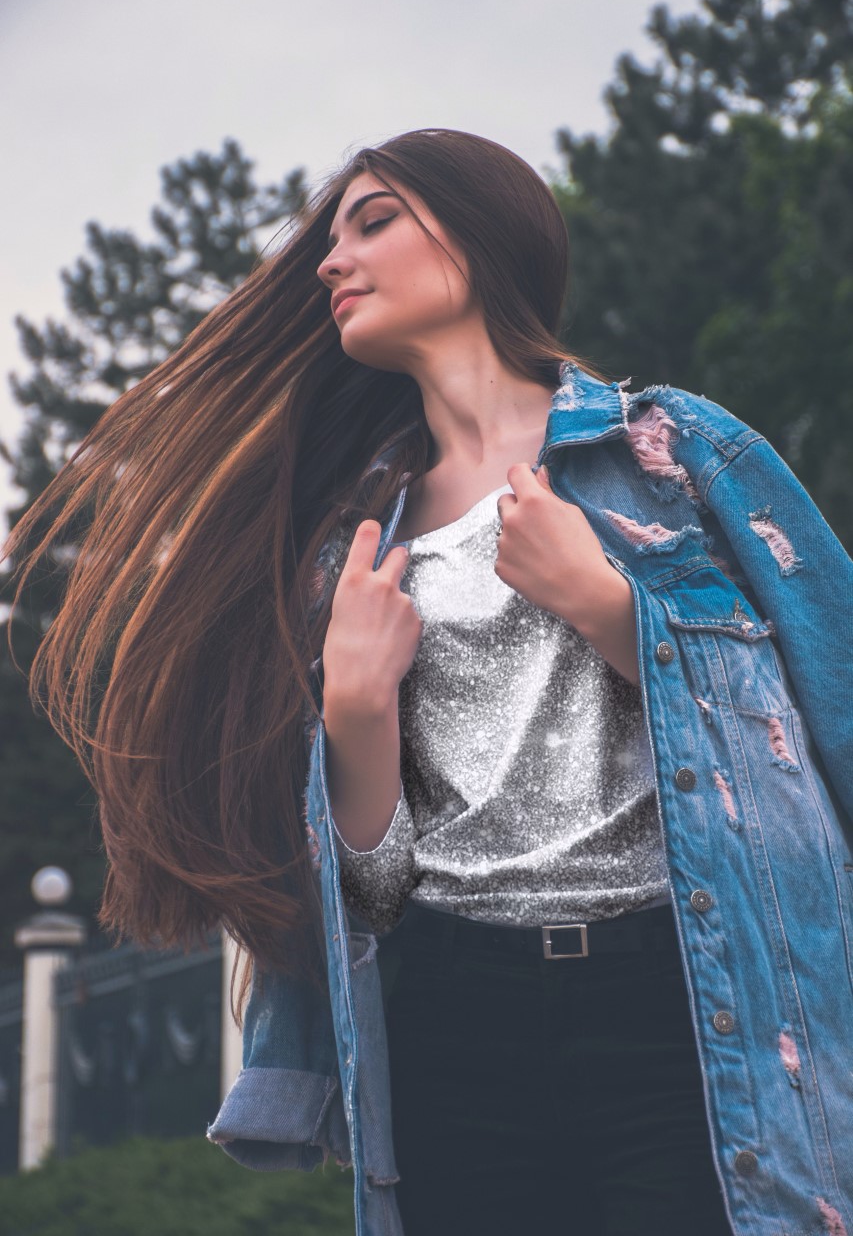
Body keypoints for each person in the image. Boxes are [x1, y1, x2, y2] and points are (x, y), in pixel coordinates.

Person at [3, 129, 851, 1236]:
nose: (329, 260)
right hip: (456, 1017)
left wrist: (608, 607)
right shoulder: (347, 547)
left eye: (373, 220)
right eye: (333, 233)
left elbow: (828, 696)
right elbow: (377, 888)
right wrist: (353, 710)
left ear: (479, 234)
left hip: (689, 999)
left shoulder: (673, 452)